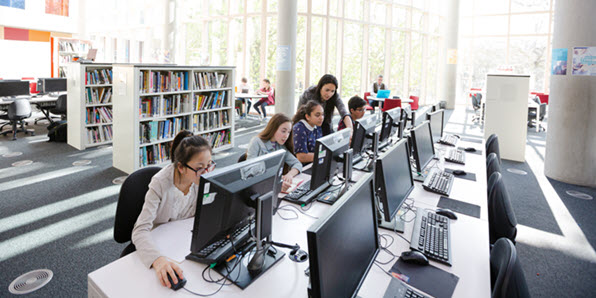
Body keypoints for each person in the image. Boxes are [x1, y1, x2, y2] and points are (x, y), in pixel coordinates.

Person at [131, 130, 215, 288]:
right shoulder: (160, 183)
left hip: (184, 242)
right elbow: (140, 230)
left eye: (209, 165)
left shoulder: (201, 178)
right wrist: (157, 260)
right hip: (160, 243)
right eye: (200, 168)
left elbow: (208, 211)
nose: (207, 172)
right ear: (181, 167)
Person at [246, 113, 302, 192]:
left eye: (289, 132)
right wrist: (276, 184)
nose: (286, 136)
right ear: (273, 129)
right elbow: (250, 172)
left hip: (271, 188)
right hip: (259, 188)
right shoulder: (256, 142)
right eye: (283, 131)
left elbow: (297, 164)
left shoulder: (280, 146)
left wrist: (289, 175)